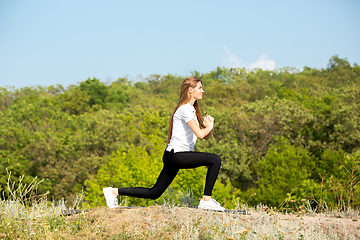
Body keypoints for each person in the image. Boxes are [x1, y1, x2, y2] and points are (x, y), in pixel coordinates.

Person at [103, 76, 225, 211]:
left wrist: (206, 126)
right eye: (200, 88)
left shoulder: (190, 109)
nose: (203, 91)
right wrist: (210, 126)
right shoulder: (184, 109)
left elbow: (200, 133)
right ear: (191, 90)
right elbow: (200, 134)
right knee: (215, 160)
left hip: (173, 155)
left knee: (154, 193)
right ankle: (206, 200)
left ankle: (113, 192)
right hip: (176, 155)